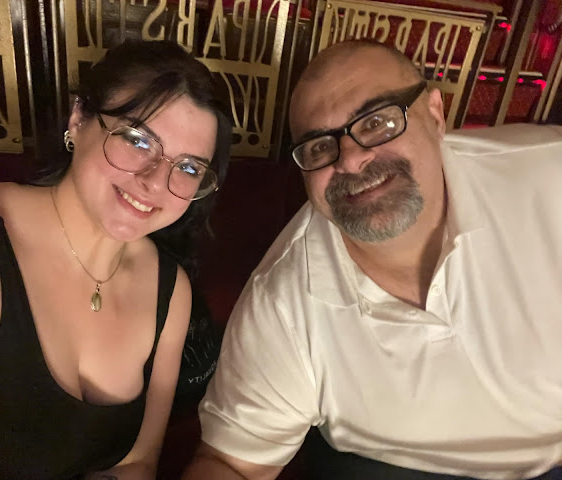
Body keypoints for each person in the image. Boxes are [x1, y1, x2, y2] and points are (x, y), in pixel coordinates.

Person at [183, 40, 562, 480]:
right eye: (319, 147)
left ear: (435, 115)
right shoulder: (283, 300)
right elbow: (233, 464)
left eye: (377, 122)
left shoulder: (549, 175)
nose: (351, 158)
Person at [0, 39, 231, 480]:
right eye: (137, 140)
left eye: (187, 168)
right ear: (79, 118)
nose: (154, 181)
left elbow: (136, 463)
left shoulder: (170, 289)